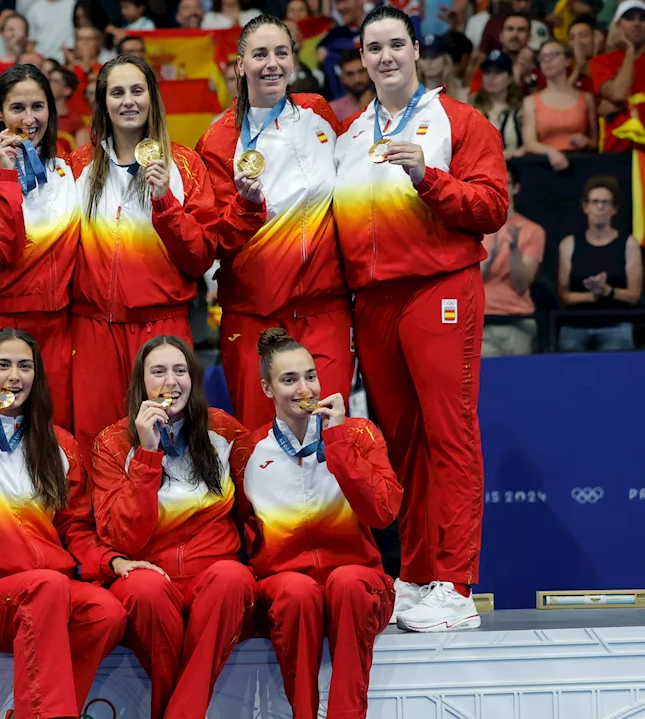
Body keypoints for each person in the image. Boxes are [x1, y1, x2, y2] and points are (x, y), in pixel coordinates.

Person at [332, 6, 506, 633]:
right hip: (373, 300)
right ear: (361, 57)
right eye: (373, 48)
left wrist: (427, 177)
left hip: (439, 287)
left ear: (416, 50)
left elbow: (491, 206)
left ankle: (455, 585)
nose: (385, 57)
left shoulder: (458, 121)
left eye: (396, 45)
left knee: (448, 435)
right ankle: (414, 574)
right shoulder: (350, 136)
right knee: (402, 443)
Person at [0, 328, 126, 719]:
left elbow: (75, 529)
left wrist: (112, 562)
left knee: (108, 612)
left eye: (25, 366)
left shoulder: (60, 443)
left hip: (51, 590)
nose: (14, 376)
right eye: (3, 365)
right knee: (47, 585)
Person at [197, 15, 352, 431]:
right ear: (240, 65)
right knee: (259, 440)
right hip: (254, 315)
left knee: (328, 436)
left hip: (324, 309)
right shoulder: (217, 141)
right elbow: (214, 243)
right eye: (260, 54)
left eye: (281, 53)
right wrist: (245, 208)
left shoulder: (318, 113)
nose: (272, 64)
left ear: (294, 61)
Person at [89, 335, 256, 719]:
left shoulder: (225, 431)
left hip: (214, 577)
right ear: (141, 384)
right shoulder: (113, 443)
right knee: (145, 591)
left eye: (180, 371)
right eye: (158, 372)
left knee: (233, 577)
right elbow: (121, 538)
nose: (171, 382)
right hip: (150, 575)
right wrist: (147, 454)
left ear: (193, 379)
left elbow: (255, 512)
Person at [242, 328, 400, 719]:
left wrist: (339, 441)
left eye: (310, 376)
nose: (304, 389)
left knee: (346, 582)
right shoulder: (250, 450)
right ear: (267, 388)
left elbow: (383, 512)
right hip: (287, 590)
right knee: (296, 591)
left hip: (359, 584)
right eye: (289, 379)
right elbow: (241, 532)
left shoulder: (358, 434)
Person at [68, 55, 217, 456]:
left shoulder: (184, 164)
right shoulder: (79, 165)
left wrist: (165, 200)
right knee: (94, 443)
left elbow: (200, 257)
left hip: (161, 326)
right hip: (93, 327)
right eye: (117, 92)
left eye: (137, 90)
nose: (128, 101)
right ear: (103, 103)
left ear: (152, 98)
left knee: (167, 441)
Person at [0, 65, 78, 430]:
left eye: (38, 107)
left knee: (54, 441)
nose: (29, 119)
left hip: (56, 328)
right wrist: (5, 174)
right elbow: (0, 249)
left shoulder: (69, 168)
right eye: (17, 108)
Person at [556, 175, 643, 351]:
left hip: (615, 325)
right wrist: (592, 296)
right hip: (575, 326)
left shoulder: (628, 244)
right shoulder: (569, 244)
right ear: (585, 207)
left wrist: (606, 290)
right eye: (595, 202)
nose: (600, 207)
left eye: (606, 202)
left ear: (614, 209)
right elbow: (564, 295)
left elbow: (634, 295)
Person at [481, 162, 545, 357]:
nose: (501, 187)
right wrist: (490, 257)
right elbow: (472, 281)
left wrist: (514, 250)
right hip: (482, 321)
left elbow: (521, 285)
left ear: (516, 188)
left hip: (518, 321)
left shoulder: (533, 231)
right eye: (496, 182)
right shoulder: (477, 227)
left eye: (507, 182)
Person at [590, 0, 645, 153]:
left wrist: (625, 106)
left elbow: (618, 99)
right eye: (629, 18)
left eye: (642, 18)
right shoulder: (601, 62)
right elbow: (619, 94)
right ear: (616, 27)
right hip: (616, 147)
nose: (637, 23)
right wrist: (629, 50)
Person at [522, 38, 597, 164]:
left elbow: (596, 142)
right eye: (543, 57)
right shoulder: (531, 101)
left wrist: (586, 142)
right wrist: (551, 152)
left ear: (567, 60)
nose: (547, 60)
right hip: (545, 163)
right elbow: (530, 143)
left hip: (580, 162)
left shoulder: (586, 98)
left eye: (553, 55)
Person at [471, 51, 524, 157]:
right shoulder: (472, 109)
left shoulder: (521, 108)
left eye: (498, 72)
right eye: (487, 72)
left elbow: (530, 143)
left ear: (510, 78)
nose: (492, 77)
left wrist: (517, 153)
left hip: (515, 167)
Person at [328, 49, 372, 121]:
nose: (357, 80)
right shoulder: (333, 111)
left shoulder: (388, 101)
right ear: (342, 78)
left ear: (369, 72)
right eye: (350, 74)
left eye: (361, 72)